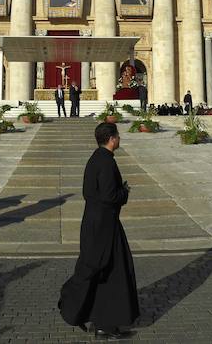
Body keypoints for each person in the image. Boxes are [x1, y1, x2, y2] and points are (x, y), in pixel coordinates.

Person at [58, 122, 139, 337]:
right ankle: (75, 304)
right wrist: (124, 192)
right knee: (107, 270)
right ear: (112, 138)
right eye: (118, 136)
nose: (119, 139)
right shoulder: (106, 162)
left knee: (108, 273)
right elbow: (109, 196)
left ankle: (104, 323)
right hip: (105, 225)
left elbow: (89, 192)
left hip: (96, 223)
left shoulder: (95, 159)